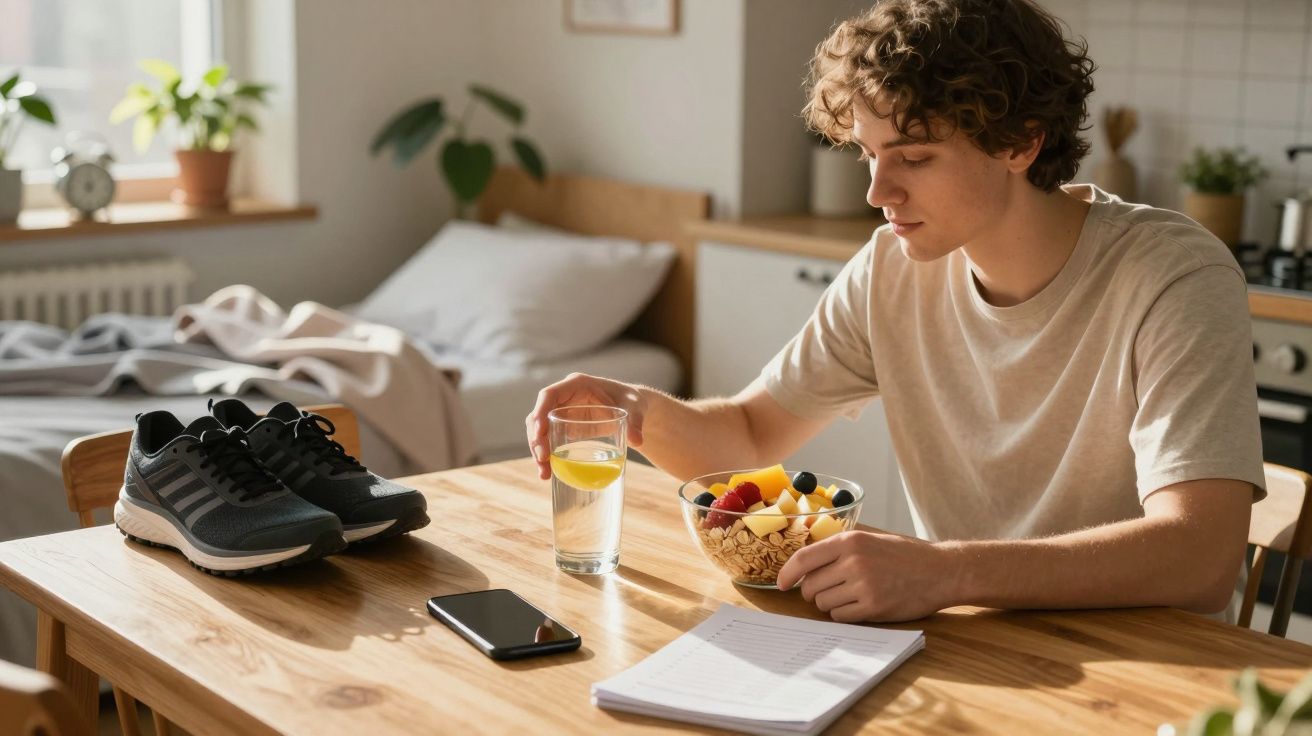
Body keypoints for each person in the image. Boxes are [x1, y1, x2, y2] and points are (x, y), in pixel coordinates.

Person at [526, 0, 1264, 624]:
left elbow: (1199, 554)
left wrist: (945, 572)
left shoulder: (1172, 275)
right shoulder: (890, 269)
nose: (879, 192)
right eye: (868, 156)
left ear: (1020, 141)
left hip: (1146, 673)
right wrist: (634, 411)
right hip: (968, 647)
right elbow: (751, 433)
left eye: (913, 157)